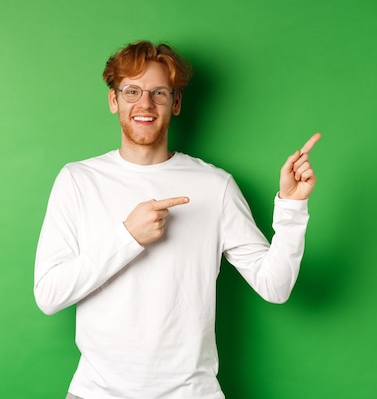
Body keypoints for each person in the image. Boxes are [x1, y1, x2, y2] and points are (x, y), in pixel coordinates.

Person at [34, 40, 321, 399]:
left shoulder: (215, 186)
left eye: (158, 93)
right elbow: (48, 294)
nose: (145, 104)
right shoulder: (78, 180)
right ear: (113, 100)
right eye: (132, 91)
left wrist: (291, 209)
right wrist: (128, 237)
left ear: (176, 102)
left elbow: (274, 286)